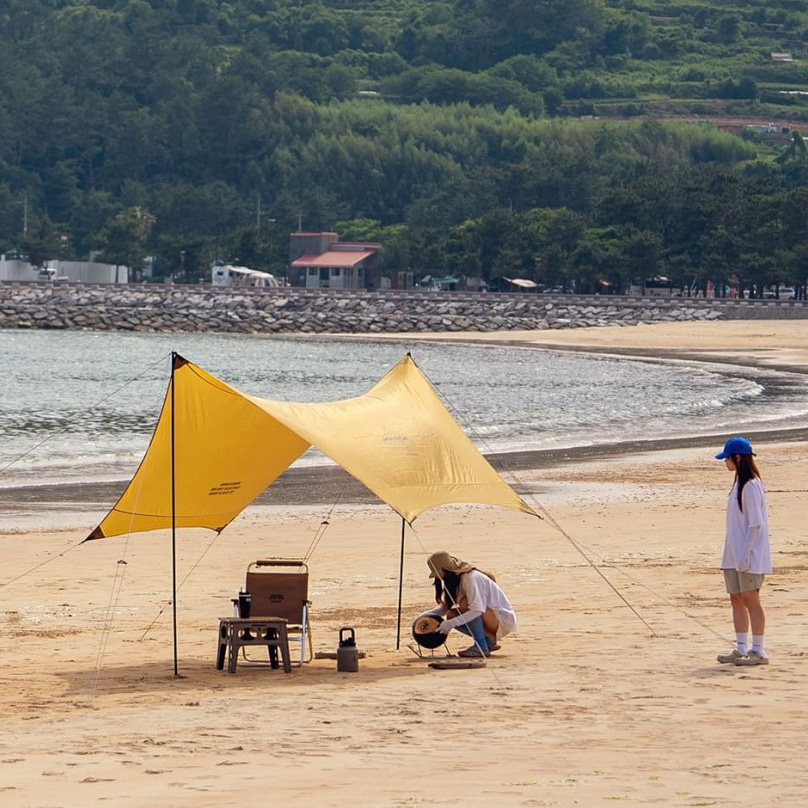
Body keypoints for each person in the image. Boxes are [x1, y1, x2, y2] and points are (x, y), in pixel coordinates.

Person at [714, 437, 772, 666]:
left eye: (727, 458)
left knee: (751, 599)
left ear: (737, 457)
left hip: (749, 555)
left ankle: (758, 651)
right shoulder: (738, 483)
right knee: (736, 599)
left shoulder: (751, 485)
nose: (725, 462)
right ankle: (741, 647)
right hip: (733, 554)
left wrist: (746, 555)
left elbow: (755, 524)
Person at [422, 551, 517, 658]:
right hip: (489, 617)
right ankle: (488, 642)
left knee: (465, 604)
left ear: (446, 569)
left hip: (502, 619)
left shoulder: (470, 578)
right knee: (451, 614)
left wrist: (451, 624)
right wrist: (422, 617)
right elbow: (445, 608)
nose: (438, 578)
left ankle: (481, 647)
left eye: (438, 573)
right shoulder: (455, 580)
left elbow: (477, 610)